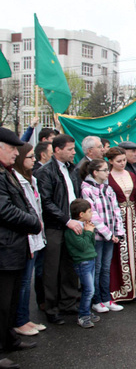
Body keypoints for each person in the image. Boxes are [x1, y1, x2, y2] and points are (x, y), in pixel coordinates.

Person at [0, 128, 41, 369]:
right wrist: (34, 222)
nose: (17, 153)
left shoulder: (7, 172)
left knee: (12, 300)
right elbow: (4, 210)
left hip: (14, 246)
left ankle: (9, 339)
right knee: (2, 303)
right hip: (4, 248)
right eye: (13, 148)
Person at [34, 134, 80, 325]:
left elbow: (75, 194)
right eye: (70, 149)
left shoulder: (71, 169)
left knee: (69, 267)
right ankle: (52, 308)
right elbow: (46, 202)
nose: (74, 152)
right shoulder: (46, 172)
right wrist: (66, 220)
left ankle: (69, 302)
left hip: (72, 224)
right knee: (52, 269)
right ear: (57, 150)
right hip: (55, 227)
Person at [80, 159, 125, 313]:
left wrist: (119, 231)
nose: (108, 173)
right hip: (98, 237)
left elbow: (116, 210)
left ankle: (106, 298)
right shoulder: (87, 189)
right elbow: (92, 215)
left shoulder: (108, 188)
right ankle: (96, 300)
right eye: (105, 170)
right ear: (95, 172)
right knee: (97, 268)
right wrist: (108, 233)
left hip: (111, 235)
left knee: (106, 268)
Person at [107, 147, 136, 301]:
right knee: (119, 252)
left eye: (124, 160)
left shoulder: (131, 175)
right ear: (110, 161)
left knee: (134, 249)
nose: (122, 163)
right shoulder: (108, 177)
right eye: (119, 161)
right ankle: (121, 289)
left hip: (132, 216)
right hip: (117, 218)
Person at [12, 143, 46, 336]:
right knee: (24, 282)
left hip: (35, 235)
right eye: (30, 157)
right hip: (27, 237)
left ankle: (24, 318)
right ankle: (20, 320)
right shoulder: (16, 180)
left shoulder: (31, 178)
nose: (34, 160)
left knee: (26, 281)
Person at [64, 199, 100, 329]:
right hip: (82, 262)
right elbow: (83, 246)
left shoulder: (85, 225)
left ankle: (87, 312)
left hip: (90, 259)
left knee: (90, 289)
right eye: (89, 211)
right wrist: (88, 232)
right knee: (89, 289)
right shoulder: (73, 230)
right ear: (81, 214)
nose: (91, 213)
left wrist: (90, 231)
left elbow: (91, 244)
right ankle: (83, 316)